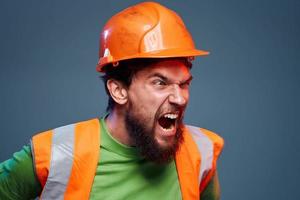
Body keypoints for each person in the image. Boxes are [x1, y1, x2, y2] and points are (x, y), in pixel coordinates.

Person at [0, 2, 224, 200]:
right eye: (160, 83)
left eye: (184, 83)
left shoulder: (201, 152)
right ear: (118, 90)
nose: (179, 98)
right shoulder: (54, 154)